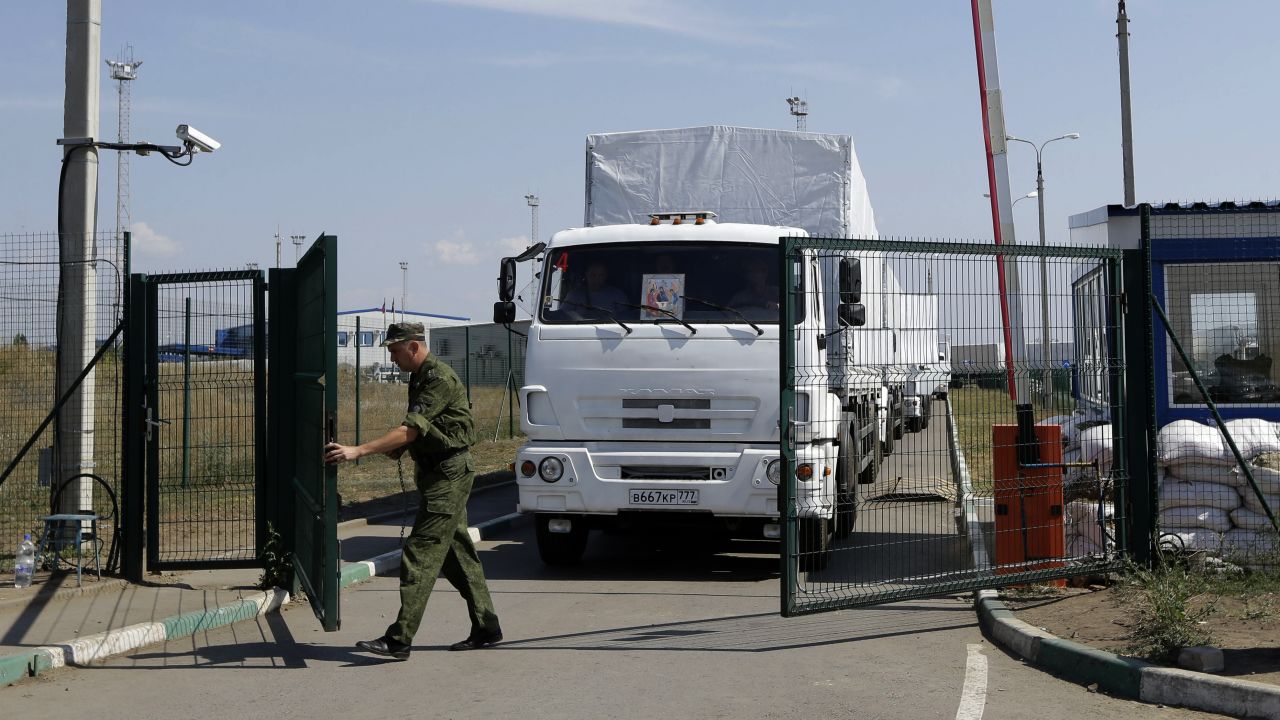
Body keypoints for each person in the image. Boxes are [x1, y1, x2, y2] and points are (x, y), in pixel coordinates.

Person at [324, 322, 502, 660]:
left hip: (448, 476)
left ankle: (399, 639)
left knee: (419, 554)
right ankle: (486, 625)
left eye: (394, 351)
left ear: (413, 347)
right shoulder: (420, 376)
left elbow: (410, 429)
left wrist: (358, 450)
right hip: (440, 473)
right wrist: (405, 447)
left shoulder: (438, 378)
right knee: (456, 555)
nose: (392, 358)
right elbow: (426, 428)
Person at [563, 260, 628, 316]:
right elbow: (562, 316)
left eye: (601, 275)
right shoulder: (574, 295)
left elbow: (625, 317)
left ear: (606, 276)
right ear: (586, 275)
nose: (596, 279)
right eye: (592, 275)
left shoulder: (617, 295)